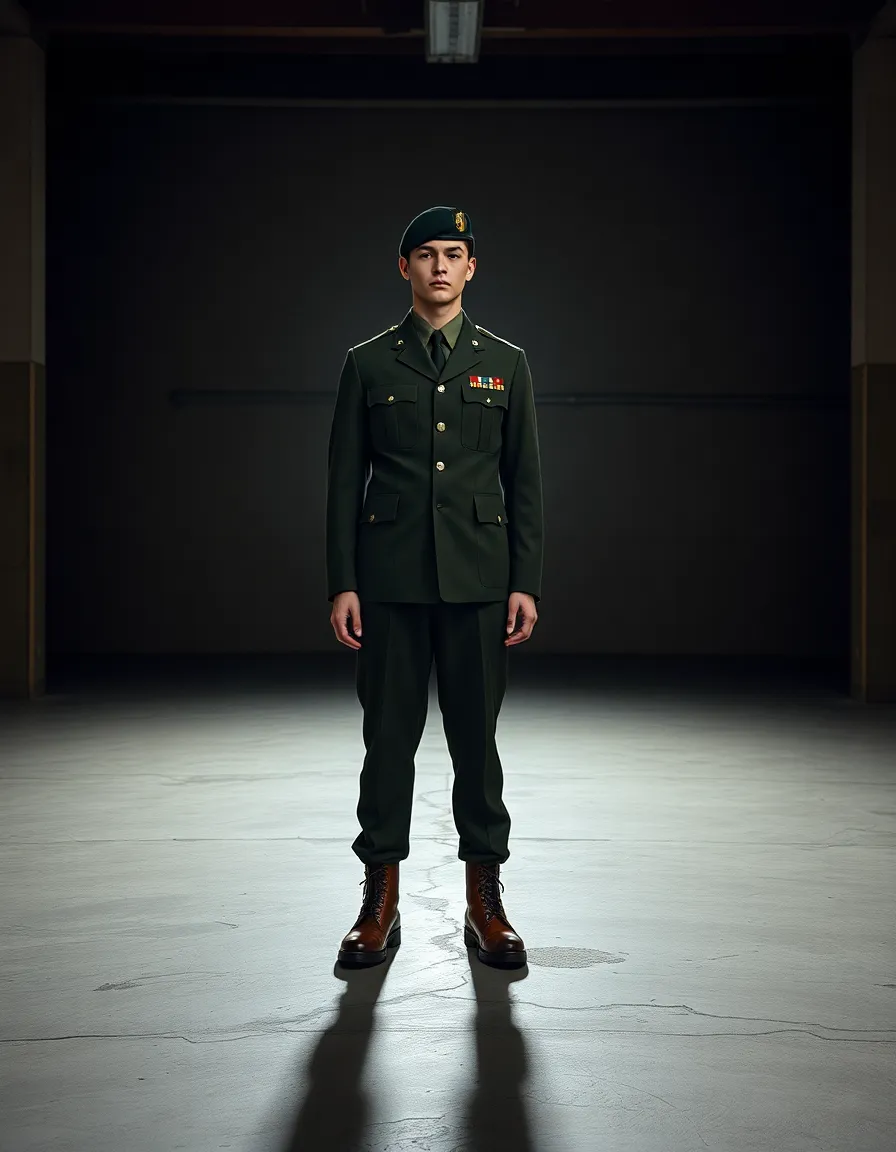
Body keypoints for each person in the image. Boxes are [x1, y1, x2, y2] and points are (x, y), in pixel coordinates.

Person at [325, 206, 544, 969]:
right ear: (404, 268)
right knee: (387, 740)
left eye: (454, 254)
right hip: (387, 582)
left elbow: (525, 483)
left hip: (481, 581)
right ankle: (379, 901)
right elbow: (342, 482)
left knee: (475, 745)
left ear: (472, 267)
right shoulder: (369, 363)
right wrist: (342, 582)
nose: (440, 267)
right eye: (425, 255)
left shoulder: (505, 362)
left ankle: (486, 902)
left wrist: (527, 581)